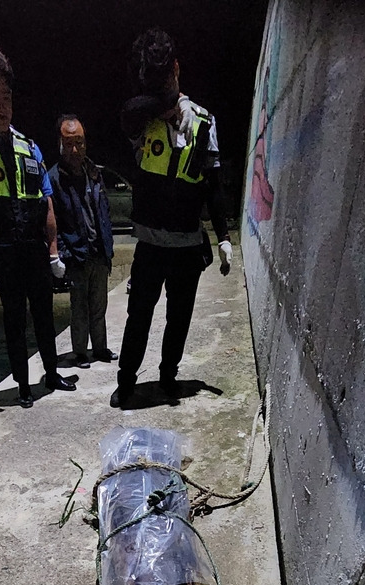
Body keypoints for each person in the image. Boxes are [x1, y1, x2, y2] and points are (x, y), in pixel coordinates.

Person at [110, 28, 233, 408]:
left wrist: (223, 237)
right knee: (138, 317)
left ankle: (168, 377)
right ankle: (126, 382)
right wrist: (160, 104)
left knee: (178, 319)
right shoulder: (142, 119)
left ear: (177, 68)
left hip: (186, 245)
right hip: (150, 244)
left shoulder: (204, 122)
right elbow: (126, 113)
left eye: (165, 82)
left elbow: (213, 186)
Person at [0, 45, 76, 408]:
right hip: (6, 249)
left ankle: (51, 373)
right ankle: (23, 385)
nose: (2, 104)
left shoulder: (30, 146)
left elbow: (47, 200)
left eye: (6, 95)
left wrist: (54, 252)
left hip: (35, 248)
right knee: (14, 320)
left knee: (44, 313)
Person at [48, 116, 118, 369]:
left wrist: (107, 245)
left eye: (79, 142)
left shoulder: (94, 172)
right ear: (60, 144)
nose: (75, 149)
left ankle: (99, 348)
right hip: (76, 255)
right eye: (69, 143)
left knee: (100, 305)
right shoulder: (54, 179)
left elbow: (104, 210)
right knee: (79, 309)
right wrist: (61, 254)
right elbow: (51, 222)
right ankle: (79, 353)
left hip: (99, 252)